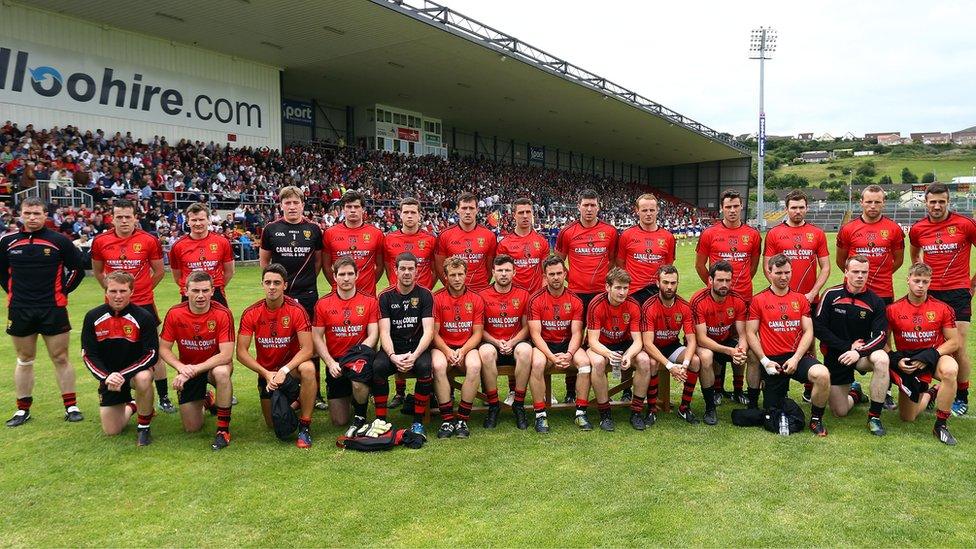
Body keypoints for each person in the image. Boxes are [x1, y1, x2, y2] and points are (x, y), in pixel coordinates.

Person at [0, 197, 86, 427]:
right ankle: (22, 410)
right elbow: (2, 273)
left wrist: (64, 292)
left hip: (53, 308)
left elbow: (77, 268)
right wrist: (13, 293)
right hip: (20, 310)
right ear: (20, 214)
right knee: (25, 359)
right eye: (27, 213)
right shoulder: (7, 242)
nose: (32, 217)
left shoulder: (59, 241)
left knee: (61, 357)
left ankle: (71, 406)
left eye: (37, 213)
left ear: (45, 214)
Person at [90, 198, 171, 413]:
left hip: (144, 304)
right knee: (114, 347)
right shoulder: (100, 241)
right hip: (114, 307)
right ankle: (117, 393)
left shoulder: (148, 240)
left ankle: (163, 397)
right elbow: (98, 272)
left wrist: (140, 291)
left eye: (128, 217)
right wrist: (113, 292)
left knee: (155, 352)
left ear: (136, 218)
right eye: (119, 217)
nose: (124, 221)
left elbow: (159, 271)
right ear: (112, 218)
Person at [908, 182, 976, 417]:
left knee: (957, 348)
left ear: (948, 202)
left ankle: (962, 396)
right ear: (925, 202)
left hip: (957, 293)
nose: (937, 206)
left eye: (941, 202)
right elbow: (915, 256)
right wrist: (920, 279)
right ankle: (928, 389)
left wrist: (972, 284)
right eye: (932, 202)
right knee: (930, 345)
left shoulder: (965, 224)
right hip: (931, 293)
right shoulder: (918, 228)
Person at [259, 186, 328, 412]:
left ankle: (315, 393)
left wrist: (304, 283)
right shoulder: (271, 229)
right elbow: (265, 263)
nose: (291, 206)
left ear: (302, 204)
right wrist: (278, 288)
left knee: (311, 344)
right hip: (282, 295)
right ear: (281, 205)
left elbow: (317, 262)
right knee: (284, 340)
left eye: (295, 202)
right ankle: (287, 387)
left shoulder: (313, 229)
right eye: (287, 203)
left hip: (307, 294)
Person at [746, 254, 831, 436]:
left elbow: (808, 331)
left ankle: (816, 420)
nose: (783, 277)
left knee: (823, 375)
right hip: (772, 362)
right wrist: (764, 361)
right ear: (769, 273)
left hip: (797, 358)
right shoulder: (758, 300)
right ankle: (756, 400)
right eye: (778, 273)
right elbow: (750, 332)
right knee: (772, 409)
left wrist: (796, 358)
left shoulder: (800, 299)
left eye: (787, 272)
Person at [237, 263, 317, 448]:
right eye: (268, 282)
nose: (272, 287)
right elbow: (241, 352)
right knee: (272, 425)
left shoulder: (297, 310)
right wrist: (266, 373)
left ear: (285, 285)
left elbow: (307, 349)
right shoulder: (251, 312)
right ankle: (296, 401)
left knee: (308, 368)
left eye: (276, 282)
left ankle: (305, 425)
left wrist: (284, 369)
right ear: (262, 285)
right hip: (267, 374)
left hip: (291, 369)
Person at [695, 189, 761, 403]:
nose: (732, 210)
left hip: (743, 298)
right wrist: (714, 284)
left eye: (736, 206)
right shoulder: (709, 233)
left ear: (741, 206)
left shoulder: (752, 234)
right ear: (721, 208)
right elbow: (700, 265)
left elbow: (753, 267)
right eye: (728, 207)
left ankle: (738, 389)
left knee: (741, 343)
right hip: (717, 298)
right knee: (716, 338)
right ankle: (717, 389)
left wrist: (737, 287)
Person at [159, 271, 236, 450]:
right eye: (195, 291)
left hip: (212, 368)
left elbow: (226, 355)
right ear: (185, 291)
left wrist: (193, 369)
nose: (200, 296)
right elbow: (164, 348)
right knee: (192, 428)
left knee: (222, 372)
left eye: (204, 290)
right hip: (188, 370)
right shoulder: (175, 313)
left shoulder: (223, 313)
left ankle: (223, 429)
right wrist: (180, 367)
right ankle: (208, 399)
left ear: (212, 291)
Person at [886, 263, 961, 445]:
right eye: (916, 281)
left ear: (930, 283)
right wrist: (896, 360)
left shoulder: (942, 308)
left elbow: (954, 342)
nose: (920, 285)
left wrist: (930, 354)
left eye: (925, 282)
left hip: (934, 356)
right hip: (909, 362)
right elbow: (883, 343)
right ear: (908, 280)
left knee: (950, 370)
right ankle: (931, 394)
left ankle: (941, 425)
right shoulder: (893, 309)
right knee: (908, 417)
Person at [814, 255, 889, 435]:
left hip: (862, 356)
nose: (860, 276)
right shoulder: (831, 295)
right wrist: (848, 347)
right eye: (855, 271)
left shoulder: (876, 302)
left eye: (864, 272)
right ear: (846, 272)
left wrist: (859, 351)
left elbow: (881, 336)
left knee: (882, 358)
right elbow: (818, 328)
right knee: (840, 412)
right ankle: (855, 393)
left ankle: (874, 417)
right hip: (836, 356)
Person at [556, 188, 618, 403]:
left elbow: (613, 261)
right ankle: (571, 390)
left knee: (606, 340)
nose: (589, 209)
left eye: (593, 205)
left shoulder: (609, 232)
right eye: (586, 205)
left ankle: (620, 388)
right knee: (572, 340)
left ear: (598, 207)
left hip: (601, 296)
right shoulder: (567, 232)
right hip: (575, 296)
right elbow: (558, 262)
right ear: (579, 206)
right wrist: (570, 281)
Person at [81, 271, 157, 446]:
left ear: (131, 291)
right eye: (113, 291)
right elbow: (88, 354)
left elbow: (151, 354)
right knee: (112, 431)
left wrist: (122, 374)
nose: (118, 296)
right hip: (109, 377)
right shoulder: (93, 317)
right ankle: (133, 405)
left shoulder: (144, 317)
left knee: (144, 378)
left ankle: (144, 426)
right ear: (106, 291)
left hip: (133, 373)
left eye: (123, 291)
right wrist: (106, 376)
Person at [311, 257, 379, 437]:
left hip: (360, 356)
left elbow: (373, 335)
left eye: (350, 274)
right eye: (342, 274)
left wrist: (357, 354)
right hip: (336, 362)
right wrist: (330, 362)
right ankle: (356, 396)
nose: (346, 278)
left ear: (357, 275)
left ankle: (361, 415)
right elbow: (317, 337)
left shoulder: (370, 301)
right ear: (334, 277)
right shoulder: (323, 304)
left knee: (358, 382)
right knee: (339, 421)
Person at [382, 197, 437, 410]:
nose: (410, 216)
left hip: (422, 300)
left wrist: (425, 289)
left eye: (414, 212)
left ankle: (427, 390)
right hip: (397, 298)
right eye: (406, 212)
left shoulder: (430, 239)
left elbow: (435, 268)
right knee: (398, 339)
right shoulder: (389, 239)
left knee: (423, 341)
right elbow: (387, 266)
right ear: (400, 214)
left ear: (419, 214)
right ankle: (399, 392)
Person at [375, 252, 435, 438]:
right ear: (395, 270)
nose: (407, 272)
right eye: (403, 269)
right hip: (394, 348)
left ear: (417, 271)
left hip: (417, 348)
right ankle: (381, 421)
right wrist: (393, 356)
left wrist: (415, 355)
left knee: (425, 367)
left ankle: (417, 422)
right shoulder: (385, 296)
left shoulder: (425, 295)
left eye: (411, 269)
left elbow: (429, 331)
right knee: (378, 367)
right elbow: (384, 332)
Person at [528, 256, 590, 431]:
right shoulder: (535, 299)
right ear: (545, 276)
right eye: (551, 274)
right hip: (545, 345)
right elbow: (535, 334)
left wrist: (569, 354)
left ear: (565, 274)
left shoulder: (575, 300)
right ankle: (540, 414)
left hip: (567, 345)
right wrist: (551, 357)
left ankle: (581, 412)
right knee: (538, 364)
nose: (555, 277)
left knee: (585, 364)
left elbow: (577, 332)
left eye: (559, 273)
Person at [585, 268, 651, 431]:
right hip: (601, 345)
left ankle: (636, 411)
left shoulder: (634, 305)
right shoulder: (596, 303)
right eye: (618, 288)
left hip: (624, 344)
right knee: (599, 363)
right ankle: (605, 413)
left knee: (644, 361)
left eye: (626, 288)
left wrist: (628, 355)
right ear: (607, 287)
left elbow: (638, 340)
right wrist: (608, 353)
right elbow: (592, 341)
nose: (622, 292)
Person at [640, 265, 703, 425]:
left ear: (677, 283)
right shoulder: (648, 306)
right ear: (657, 283)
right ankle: (652, 409)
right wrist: (669, 366)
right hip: (653, 347)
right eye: (665, 282)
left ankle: (684, 408)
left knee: (695, 361)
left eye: (673, 283)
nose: (669, 287)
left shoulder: (684, 306)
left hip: (672, 345)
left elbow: (691, 340)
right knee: (653, 363)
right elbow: (647, 343)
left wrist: (685, 364)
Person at [431, 256, 485, 439]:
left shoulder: (476, 299)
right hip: (443, 346)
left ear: (466, 275)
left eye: (460, 274)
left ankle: (462, 418)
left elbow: (477, 333)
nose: (456, 278)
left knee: (475, 366)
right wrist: (447, 351)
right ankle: (447, 419)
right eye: (452, 275)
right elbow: (434, 333)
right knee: (438, 366)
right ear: (445, 276)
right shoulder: (436, 298)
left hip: (466, 346)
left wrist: (462, 351)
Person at [691, 261, 755, 410]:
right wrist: (729, 351)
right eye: (720, 280)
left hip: (725, 339)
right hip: (703, 343)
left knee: (749, 352)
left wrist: (740, 350)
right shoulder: (699, 300)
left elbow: (743, 333)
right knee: (707, 356)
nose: (724, 284)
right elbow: (701, 338)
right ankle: (713, 398)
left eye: (727, 280)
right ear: (711, 280)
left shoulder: (738, 300)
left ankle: (739, 391)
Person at [478, 255, 532, 429]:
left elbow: (526, 327)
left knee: (525, 351)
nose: (503, 274)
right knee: (485, 353)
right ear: (493, 272)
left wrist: (512, 341)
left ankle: (518, 403)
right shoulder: (482, 295)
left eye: (507, 270)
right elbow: (480, 329)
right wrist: (496, 341)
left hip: (515, 343)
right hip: (491, 343)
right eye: (500, 270)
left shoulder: (523, 295)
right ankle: (493, 405)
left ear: (514, 272)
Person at [836, 185, 905, 304]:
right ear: (861, 202)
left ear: (883, 203)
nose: (873, 206)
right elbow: (841, 261)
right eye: (869, 202)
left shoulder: (894, 229)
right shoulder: (848, 229)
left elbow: (899, 261)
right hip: (854, 290)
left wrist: (883, 274)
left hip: (883, 291)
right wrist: (855, 276)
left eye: (877, 202)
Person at [168, 203, 235, 306]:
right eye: (194, 220)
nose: (198, 223)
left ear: (208, 220)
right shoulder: (178, 246)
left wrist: (211, 288)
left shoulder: (222, 242)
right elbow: (177, 277)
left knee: (222, 321)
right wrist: (194, 288)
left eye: (201, 219)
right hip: (190, 293)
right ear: (188, 221)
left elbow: (229, 271)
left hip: (215, 293)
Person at [322, 190, 385, 296]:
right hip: (339, 295)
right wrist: (337, 283)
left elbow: (380, 266)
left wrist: (368, 284)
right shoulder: (330, 233)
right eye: (349, 207)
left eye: (356, 207)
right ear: (343, 209)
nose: (353, 210)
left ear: (363, 209)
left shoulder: (376, 234)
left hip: (367, 296)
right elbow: (326, 267)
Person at [616, 194, 676, 305]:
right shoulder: (626, 235)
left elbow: (668, 267)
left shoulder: (668, 237)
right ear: (637, 211)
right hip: (633, 293)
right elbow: (620, 263)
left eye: (652, 210)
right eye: (644, 210)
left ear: (657, 210)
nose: (648, 214)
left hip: (658, 293)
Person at [434, 192, 496, 293]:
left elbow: (489, 269)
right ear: (457, 209)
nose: (468, 212)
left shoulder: (489, 235)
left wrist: (480, 286)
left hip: (481, 292)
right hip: (455, 293)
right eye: (464, 208)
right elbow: (440, 268)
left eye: (471, 208)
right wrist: (453, 287)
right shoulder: (445, 235)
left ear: (477, 210)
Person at [496, 197, 549, 294]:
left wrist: (542, 295)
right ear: (514, 215)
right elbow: (501, 275)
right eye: (521, 212)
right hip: (513, 298)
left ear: (532, 214)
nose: (525, 216)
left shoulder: (542, 242)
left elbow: (546, 273)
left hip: (536, 296)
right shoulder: (504, 244)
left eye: (528, 212)